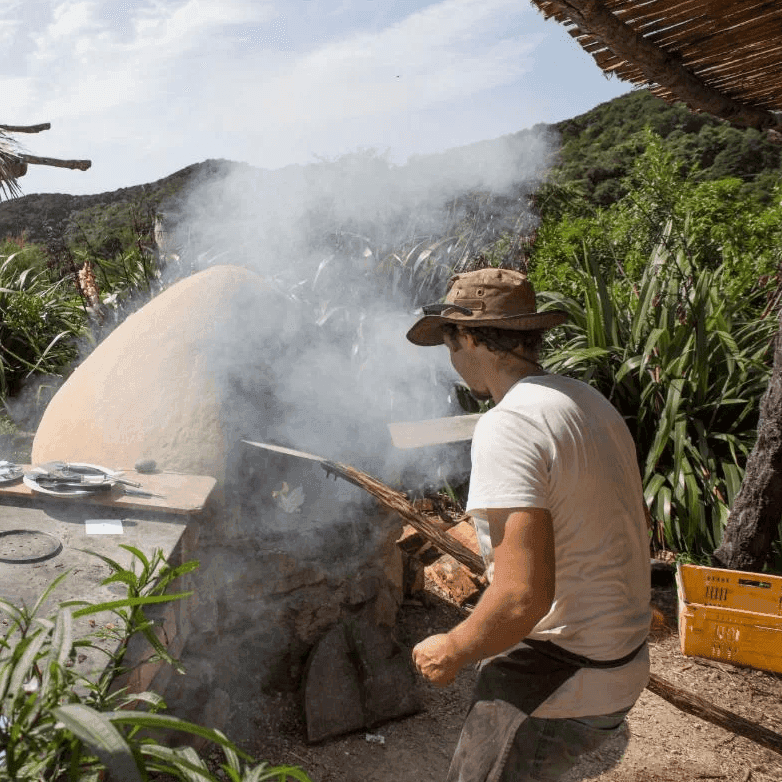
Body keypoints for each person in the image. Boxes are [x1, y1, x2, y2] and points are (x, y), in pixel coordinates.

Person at [406, 267, 651, 782]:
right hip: (622, 659)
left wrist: (453, 647)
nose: (452, 361)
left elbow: (522, 598)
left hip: (568, 670)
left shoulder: (509, 423)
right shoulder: (586, 400)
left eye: (450, 344)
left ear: (470, 336)